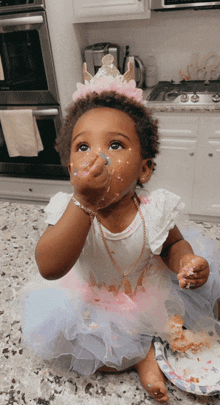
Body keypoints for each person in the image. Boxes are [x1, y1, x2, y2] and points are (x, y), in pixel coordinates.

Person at [21, 55, 220, 403]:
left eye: (115, 145)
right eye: (83, 146)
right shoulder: (67, 209)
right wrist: (83, 203)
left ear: (144, 170)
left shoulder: (154, 209)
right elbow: (49, 266)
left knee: (199, 315)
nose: (98, 156)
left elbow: (174, 245)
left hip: (148, 290)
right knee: (96, 355)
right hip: (92, 301)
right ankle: (143, 356)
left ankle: (149, 347)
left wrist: (186, 262)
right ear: (71, 169)